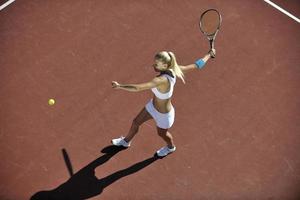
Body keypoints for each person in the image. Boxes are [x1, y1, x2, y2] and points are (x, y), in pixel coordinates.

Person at [111, 49, 216, 157]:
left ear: (165, 65)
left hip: (164, 115)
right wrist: (208, 55)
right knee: (136, 122)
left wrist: (120, 86)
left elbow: (138, 88)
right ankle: (126, 141)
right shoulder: (175, 69)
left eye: (156, 64)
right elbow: (196, 65)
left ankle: (170, 147)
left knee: (162, 134)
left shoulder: (160, 80)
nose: (153, 65)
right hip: (152, 106)